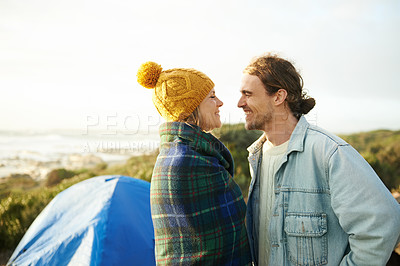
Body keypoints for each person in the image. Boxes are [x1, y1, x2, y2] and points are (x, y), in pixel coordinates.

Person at [237, 53, 400, 265]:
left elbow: (382, 225)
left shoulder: (330, 153)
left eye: (247, 94)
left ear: (278, 97)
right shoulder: (257, 156)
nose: (240, 103)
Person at [137, 62, 252, 265]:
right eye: (212, 97)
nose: (221, 103)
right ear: (191, 108)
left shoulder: (190, 153)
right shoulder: (184, 162)